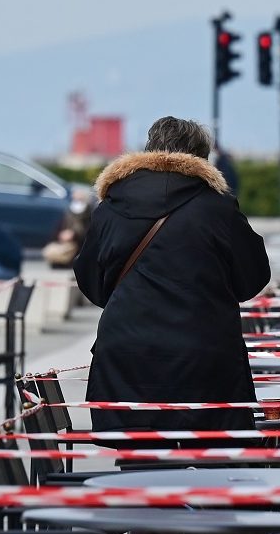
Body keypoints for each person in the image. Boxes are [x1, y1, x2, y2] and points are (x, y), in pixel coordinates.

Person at [76, 115, 269, 435]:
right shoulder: (217, 207)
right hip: (206, 355)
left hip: (128, 353)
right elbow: (253, 277)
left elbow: (91, 282)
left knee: (137, 460)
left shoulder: (111, 205)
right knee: (212, 462)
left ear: (149, 151)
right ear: (200, 157)